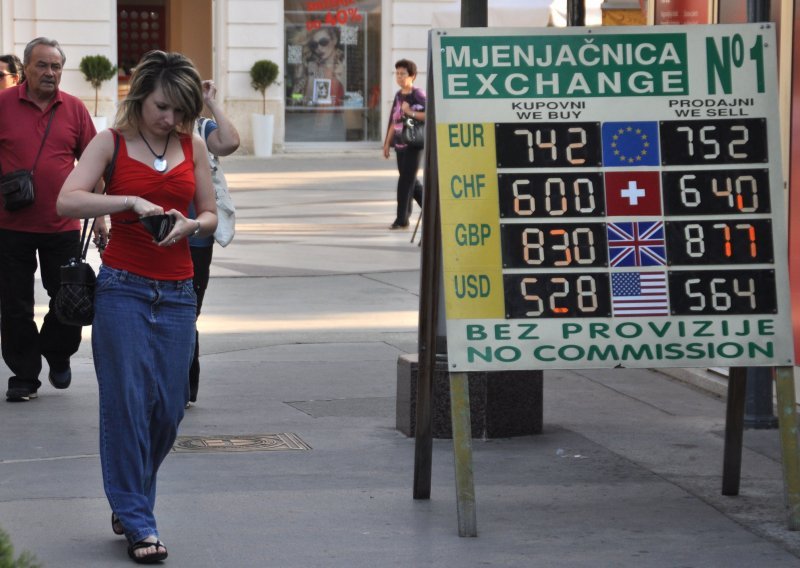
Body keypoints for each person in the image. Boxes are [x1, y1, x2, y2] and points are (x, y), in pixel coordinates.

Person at [57, 50, 217, 564]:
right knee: (126, 404)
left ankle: (128, 501)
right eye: (162, 107)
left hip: (177, 292)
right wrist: (128, 202)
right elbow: (68, 200)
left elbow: (211, 212)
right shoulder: (111, 143)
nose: (169, 119)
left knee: (168, 408)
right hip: (123, 287)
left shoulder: (192, 146)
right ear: (141, 95)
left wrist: (194, 226)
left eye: (178, 111)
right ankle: (139, 520)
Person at [0, 37, 99, 402]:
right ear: (25, 68)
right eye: (42, 65)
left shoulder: (73, 109)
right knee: (14, 306)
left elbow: (94, 162)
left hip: (63, 226)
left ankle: (57, 352)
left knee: (70, 299)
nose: (50, 72)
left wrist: (100, 214)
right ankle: (24, 376)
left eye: (56, 66)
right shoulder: (3, 105)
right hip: (10, 226)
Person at [188, 78, 240, 406]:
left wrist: (211, 102)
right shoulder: (143, 127)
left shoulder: (200, 127)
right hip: (156, 234)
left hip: (195, 237)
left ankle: (183, 382)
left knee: (187, 311)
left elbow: (230, 142)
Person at [382, 59, 425, 230]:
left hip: (414, 143)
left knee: (405, 182)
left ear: (412, 76)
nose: (399, 77)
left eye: (403, 74)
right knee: (411, 182)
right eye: (397, 74)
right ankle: (433, 210)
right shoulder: (399, 95)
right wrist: (387, 143)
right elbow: (394, 120)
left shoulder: (418, 94)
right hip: (400, 143)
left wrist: (409, 111)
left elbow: (429, 114)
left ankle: (401, 219)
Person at [291, 26, 345, 106]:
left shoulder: (344, 64)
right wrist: (310, 77)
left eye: (323, 42)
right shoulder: (312, 68)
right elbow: (298, 100)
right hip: (315, 115)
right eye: (314, 45)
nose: (319, 48)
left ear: (334, 40)